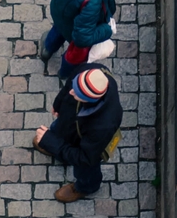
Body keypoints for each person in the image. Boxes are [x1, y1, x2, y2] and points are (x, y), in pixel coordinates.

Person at [33, 65, 123, 203]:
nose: (71, 93)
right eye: (75, 87)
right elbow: (68, 86)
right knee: (58, 130)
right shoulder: (92, 70)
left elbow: (85, 158)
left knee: (85, 170)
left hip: (88, 147)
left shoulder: (103, 125)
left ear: (90, 101)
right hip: (68, 122)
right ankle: (58, 152)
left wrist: (52, 143)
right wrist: (58, 103)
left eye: (77, 94)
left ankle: (86, 187)